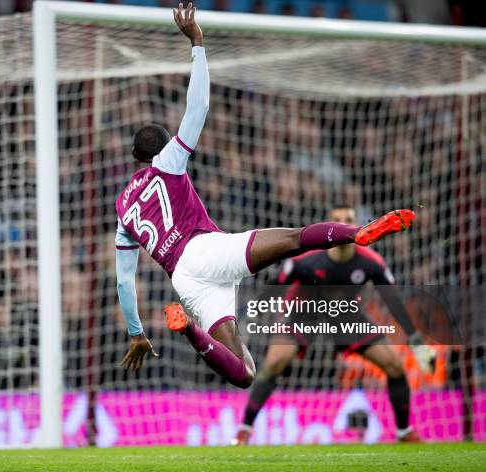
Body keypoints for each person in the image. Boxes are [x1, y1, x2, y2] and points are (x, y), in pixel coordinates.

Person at [114, 3, 415, 389]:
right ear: (156, 153)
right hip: (204, 252)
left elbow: (125, 282)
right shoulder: (167, 162)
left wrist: (137, 332)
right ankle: (354, 234)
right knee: (292, 239)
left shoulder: (123, 209)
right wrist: (198, 44)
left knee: (245, 373)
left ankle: (188, 328)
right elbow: (199, 106)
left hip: (186, 282)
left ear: (135, 158)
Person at [233, 204, 434, 443]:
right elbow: (276, 287)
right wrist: (250, 316)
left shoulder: (371, 263)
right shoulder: (306, 260)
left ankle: (404, 432)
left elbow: (393, 301)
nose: (342, 224)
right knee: (275, 361)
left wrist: (416, 341)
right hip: (304, 312)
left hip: (345, 315)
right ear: (329, 226)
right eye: (336, 220)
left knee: (394, 366)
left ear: (357, 225)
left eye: (347, 219)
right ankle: (244, 430)